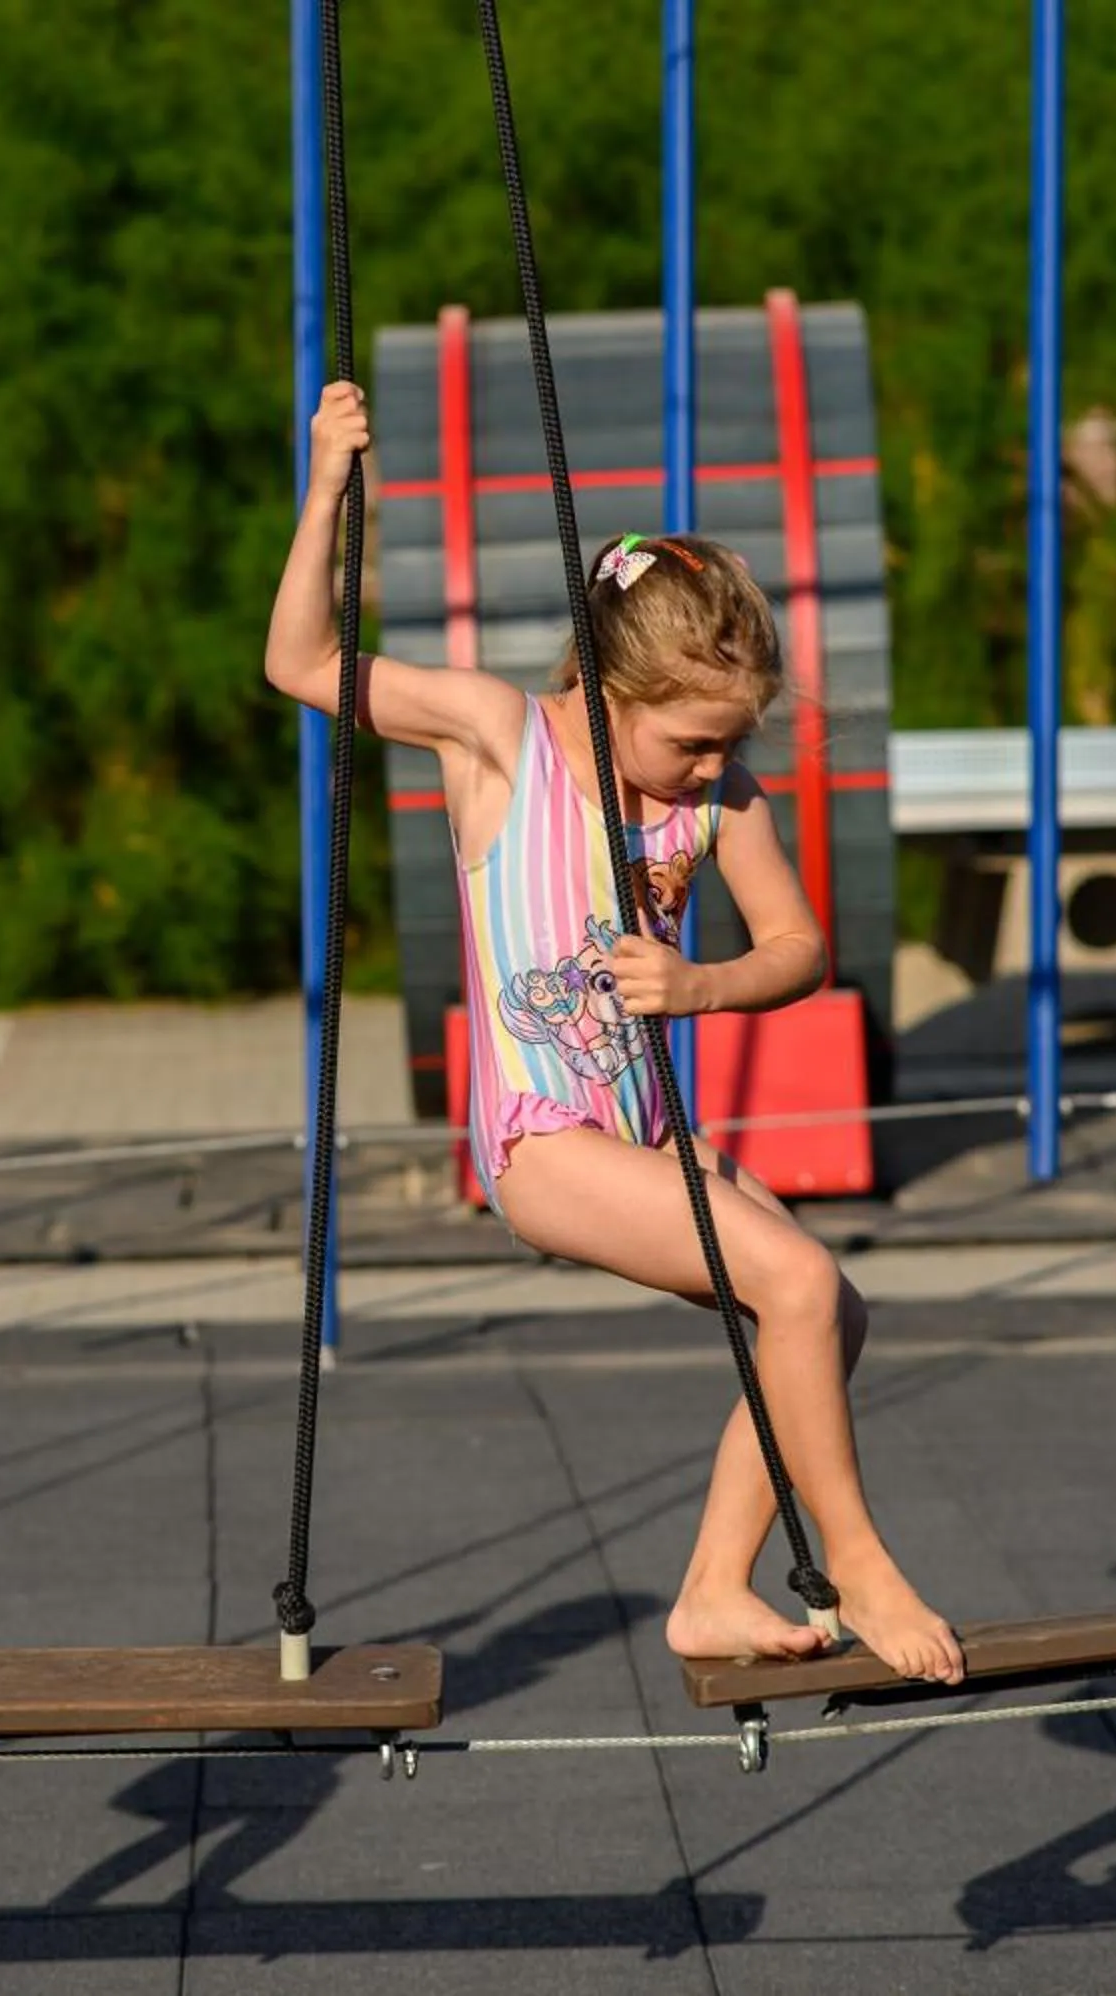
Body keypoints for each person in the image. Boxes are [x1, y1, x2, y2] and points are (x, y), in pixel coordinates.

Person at [265, 384, 963, 1683]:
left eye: (731, 745)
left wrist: (701, 987)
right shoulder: (499, 740)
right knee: (798, 1283)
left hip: (645, 1138)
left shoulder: (716, 798)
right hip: (541, 1143)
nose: (712, 770)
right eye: (694, 742)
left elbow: (798, 950)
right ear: (610, 686)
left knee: (830, 1310)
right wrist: (324, 489)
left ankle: (710, 1587)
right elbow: (301, 666)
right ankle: (857, 1562)